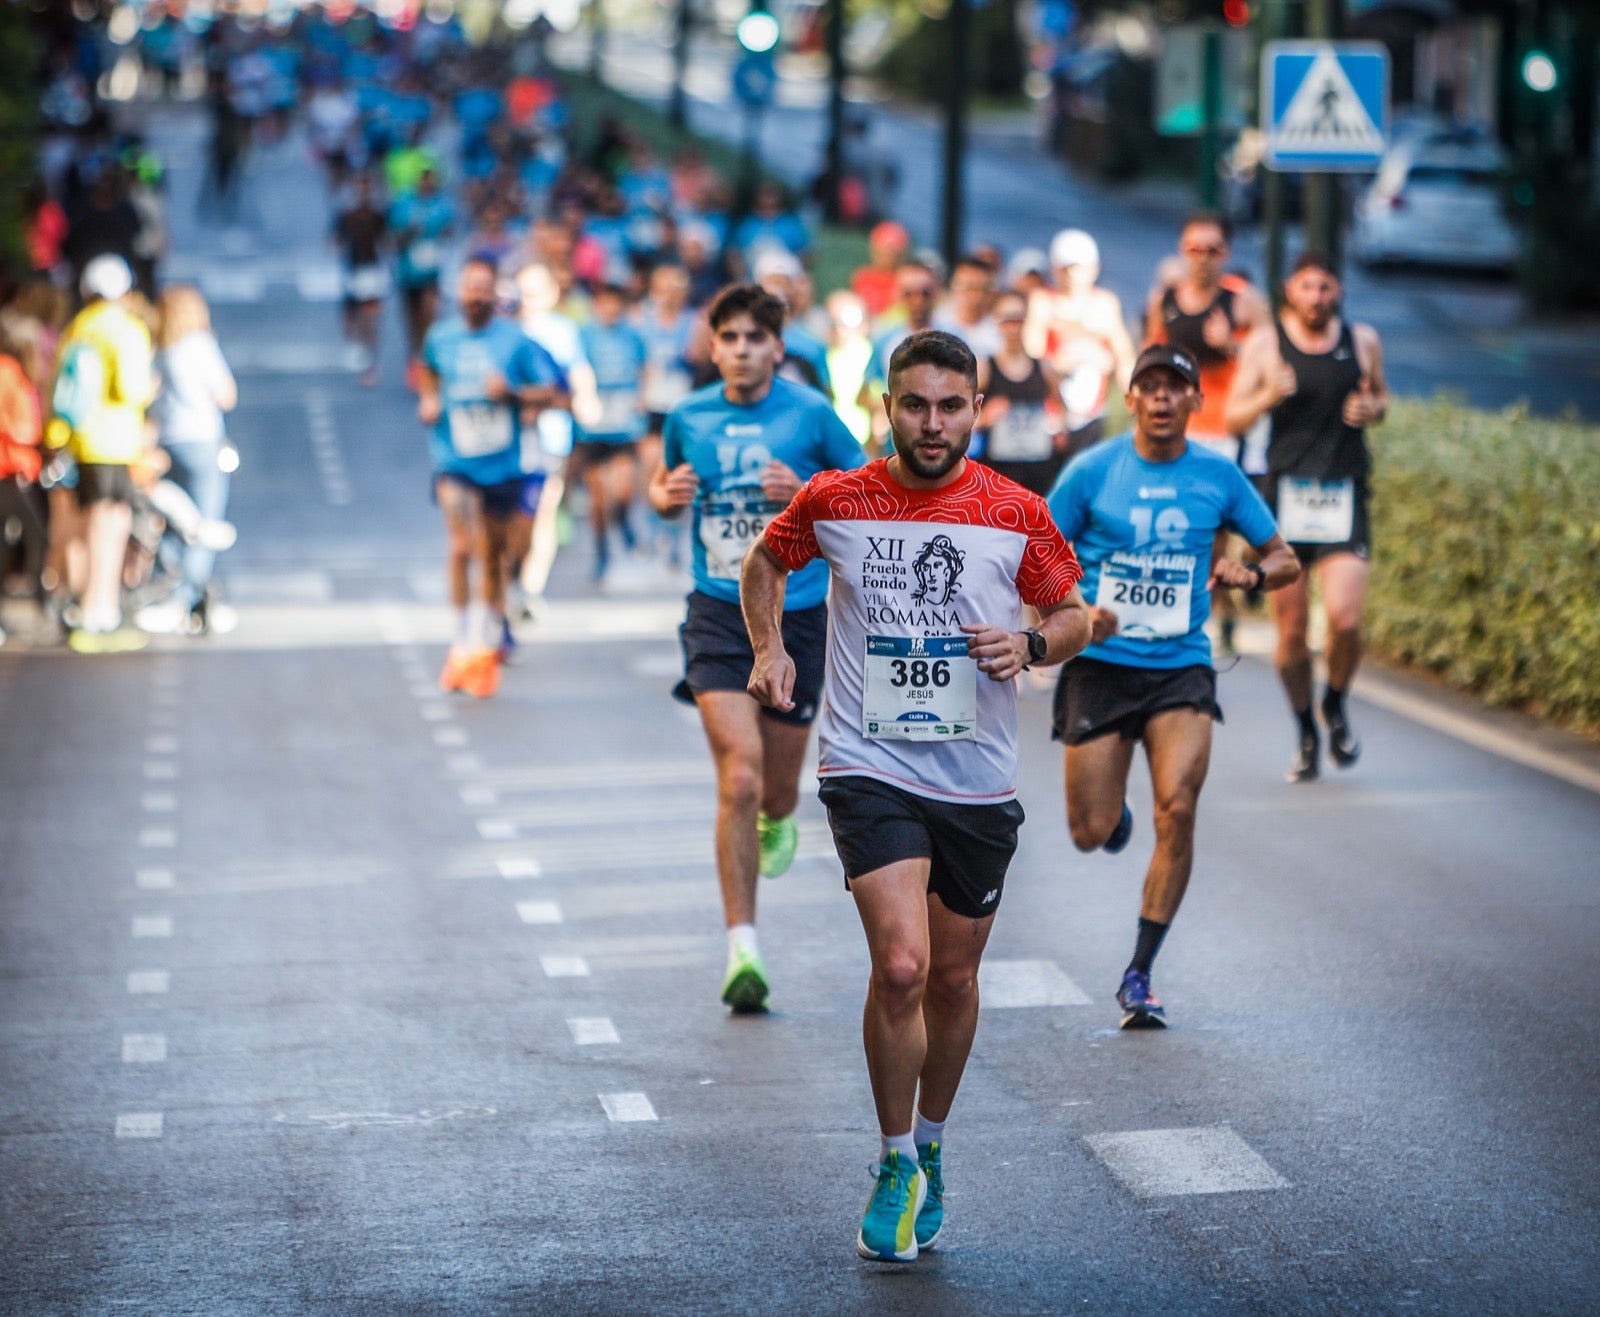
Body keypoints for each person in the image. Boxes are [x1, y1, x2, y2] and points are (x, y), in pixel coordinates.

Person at [742, 329, 1089, 1263]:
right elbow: (766, 562)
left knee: (954, 976)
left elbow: (1073, 610)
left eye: (950, 405)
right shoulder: (838, 495)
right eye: (914, 405)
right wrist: (770, 647)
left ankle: (932, 1143)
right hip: (867, 764)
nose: (931, 424)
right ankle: (895, 1159)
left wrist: (1035, 646)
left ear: (977, 408)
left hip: (977, 778)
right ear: (885, 408)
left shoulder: (1016, 510)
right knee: (901, 965)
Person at [1047, 344, 1299, 1029]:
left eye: (1175, 388)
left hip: (1180, 665)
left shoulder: (1218, 475)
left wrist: (1251, 575)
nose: (1161, 398)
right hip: (1101, 664)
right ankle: (1115, 814)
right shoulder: (1093, 471)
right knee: (1089, 830)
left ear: (1196, 401)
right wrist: (1074, 605)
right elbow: (1036, 550)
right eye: (1149, 386)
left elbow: (1285, 559)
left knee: (1179, 809)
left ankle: (1139, 971)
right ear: (1130, 399)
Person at [649, 284, 864, 1014]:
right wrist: (663, 494)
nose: (740, 349)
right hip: (717, 610)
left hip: (796, 615)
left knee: (775, 789)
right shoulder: (688, 416)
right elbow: (664, 482)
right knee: (736, 777)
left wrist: (807, 488)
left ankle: (776, 816)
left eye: (754, 338)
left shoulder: (810, 413)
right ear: (712, 348)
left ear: (779, 346)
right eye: (728, 338)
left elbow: (870, 492)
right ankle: (743, 944)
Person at [1224, 251, 1389, 782]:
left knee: (1345, 620)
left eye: (1325, 287)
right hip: (1286, 499)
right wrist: (1269, 394)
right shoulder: (1267, 344)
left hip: (1343, 494)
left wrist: (1373, 409)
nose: (1316, 297)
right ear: (1289, 291)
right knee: (1291, 632)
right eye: (1306, 287)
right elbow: (1232, 415)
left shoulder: (1361, 340)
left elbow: (1381, 396)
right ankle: (1305, 730)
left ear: (1336, 290)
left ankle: (1335, 703)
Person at [418, 258, 567, 698]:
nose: (476, 296)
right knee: (463, 544)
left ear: (494, 295)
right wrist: (429, 399)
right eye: (470, 288)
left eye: (484, 289)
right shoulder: (440, 337)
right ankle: (463, 638)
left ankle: (490, 627)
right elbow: (428, 371)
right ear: (459, 293)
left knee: (497, 555)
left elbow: (553, 393)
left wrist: (514, 393)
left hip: (503, 465)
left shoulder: (516, 341)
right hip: (454, 461)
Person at [47, 255, 157, 653]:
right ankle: (99, 608)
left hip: (83, 441)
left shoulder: (78, 327)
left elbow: (58, 389)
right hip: (117, 441)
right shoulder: (127, 330)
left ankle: (95, 606)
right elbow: (131, 388)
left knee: (95, 520)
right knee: (110, 523)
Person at [137, 284, 238, 636]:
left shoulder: (159, 349)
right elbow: (227, 395)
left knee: (173, 521)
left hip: (167, 445)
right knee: (203, 526)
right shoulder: (200, 345)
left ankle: (167, 591)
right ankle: (187, 598)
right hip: (202, 443)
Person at [1024, 228, 1135, 461]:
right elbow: (1032, 353)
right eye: (1067, 269)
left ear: (1094, 269)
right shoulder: (1043, 302)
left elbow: (1124, 354)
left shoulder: (1104, 304)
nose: (1073, 276)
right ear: (1056, 269)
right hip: (1051, 413)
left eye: (1079, 268)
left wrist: (1133, 397)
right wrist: (1072, 359)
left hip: (1092, 413)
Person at [575, 282, 648, 582]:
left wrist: (642, 396)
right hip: (592, 426)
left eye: (616, 302)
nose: (611, 308)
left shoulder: (632, 335)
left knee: (624, 490)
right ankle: (602, 552)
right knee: (598, 499)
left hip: (624, 423)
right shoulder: (584, 335)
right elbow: (575, 369)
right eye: (606, 301)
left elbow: (644, 368)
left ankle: (624, 519)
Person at [974, 289, 1065, 497]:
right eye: (1007, 320)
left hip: (1039, 475)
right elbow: (961, 418)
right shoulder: (986, 368)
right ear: (997, 322)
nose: (1013, 328)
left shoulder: (1043, 367)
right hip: (998, 476)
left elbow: (1061, 411)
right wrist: (984, 417)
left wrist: (1056, 426)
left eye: (1018, 320)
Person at [389, 166, 456, 387]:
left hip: (431, 274)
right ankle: (414, 359)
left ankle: (429, 364)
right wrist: (410, 233)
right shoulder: (404, 205)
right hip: (409, 273)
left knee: (429, 317)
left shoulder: (442, 205)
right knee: (412, 322)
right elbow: (393, 239)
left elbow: (450, 231)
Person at [333, 172, 390, 387]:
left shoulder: (377, 215)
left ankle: (370, 361)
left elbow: (386, 240)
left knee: (371, 318)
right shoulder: (347, 216)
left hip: (372, 272)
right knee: (352, 316)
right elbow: (335, 239)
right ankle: (359, 348)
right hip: (353, 271)